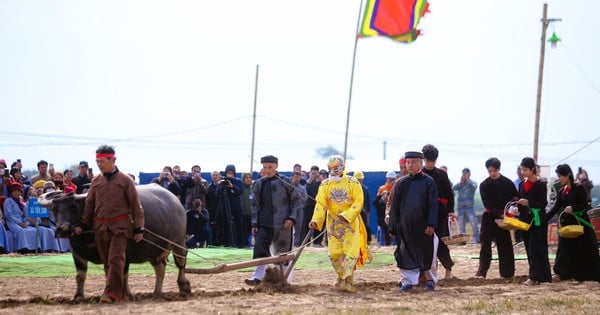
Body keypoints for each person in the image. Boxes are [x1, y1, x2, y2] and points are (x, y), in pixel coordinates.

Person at [74, 145, 144, 303]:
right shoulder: (96, 181)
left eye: (102, 161)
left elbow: (136, 206)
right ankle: (119, 293)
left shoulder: (126, 180)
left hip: (120, 227)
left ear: (113, 160)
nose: (99, 164)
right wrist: (83, 225)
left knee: (115, 259)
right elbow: (89, 206)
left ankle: (111, 294)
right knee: (107, 262)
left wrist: (139, 228)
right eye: (97, 161)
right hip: (100, 228)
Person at [309, 155, 371, 293]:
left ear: (342, 168)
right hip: (333, 225)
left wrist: (347, 215)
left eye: (335, 169)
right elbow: (320, 204)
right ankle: (341, 277)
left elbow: (358, 202)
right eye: (330, 169)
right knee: (334, 254)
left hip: (350, 224)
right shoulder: (325, 184)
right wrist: (315, 220)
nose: (332, 172)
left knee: (351, 254)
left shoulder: (353, 183)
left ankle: (347, 281)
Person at [388, 151, 439, 292]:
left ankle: (430, 280)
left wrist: (431, 224)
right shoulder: (401, 183)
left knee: (428, 254)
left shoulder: (429, 182)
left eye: (413, 162)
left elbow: (433, 204)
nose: (410, 165)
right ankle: (408, 282)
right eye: (408, 162)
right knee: (405, 254)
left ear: (420, 164)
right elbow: (395, 207)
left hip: (424, 227)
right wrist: (392, 227)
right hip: (405, 228)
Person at [245, 155, 300, 285]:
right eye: (265, 167)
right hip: (264, 223)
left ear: (276, 167)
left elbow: (297, 201)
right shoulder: (259, 183)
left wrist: (292, 218)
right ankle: (258, 277)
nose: (267, 170)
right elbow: (255, 206)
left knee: (283, 253)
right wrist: (255, 223)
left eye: (270, 167)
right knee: (260, 249)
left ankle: (283, 279)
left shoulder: (286, 181)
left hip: (283, 224)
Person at [546, 164, 600, 282]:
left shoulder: (578, 188)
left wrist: (573, 208)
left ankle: (589, 274)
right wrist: (545, 218)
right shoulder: (562, 191)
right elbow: (556, 207)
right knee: (564, 248)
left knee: (585, 249)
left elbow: (585, 204)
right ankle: (562, 273)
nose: (559, 178)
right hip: (568, 224)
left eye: (560, 176)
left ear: (567, 175)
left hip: (580, 223)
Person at [476, 157, 517, 279]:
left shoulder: (508, 183)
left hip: (504, 218)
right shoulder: (484, 185)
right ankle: (482, 272)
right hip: (489, 217)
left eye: (494, 170)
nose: (492, 173)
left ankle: (507, 273)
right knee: (485, 246)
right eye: (490, 171)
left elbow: (515, 196)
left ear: (498, 169)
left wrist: (511, 207)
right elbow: (487, 203)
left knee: (505, 245)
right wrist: (500, 213)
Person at [421, 144, 455, 280]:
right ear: (424, 159)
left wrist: (451, 211)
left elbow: (449, 194)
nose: (429, 163)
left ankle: (448, 267)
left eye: (432, 161)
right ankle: (427, 272)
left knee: (440, 242)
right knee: (425, 242)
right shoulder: (420, 175)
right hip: (423, 212)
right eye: (428, 160)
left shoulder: (442, 175)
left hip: (440, 213)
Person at [516, 157, 551, 285]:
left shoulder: (541, 184)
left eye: (525, 170)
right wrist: (517, 208)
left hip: (538, 220)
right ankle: (536, 275)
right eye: (521, 169)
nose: (522, 172)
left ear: (532, 170)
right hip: (525, 220)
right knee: (528, 246)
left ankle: (538, 276)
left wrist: (529, 203)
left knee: (537, 247)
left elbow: (543, 203)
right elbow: (519, 201)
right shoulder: (521, 184)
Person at [3, 182, 39, 254]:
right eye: (14, 191)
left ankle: (34, 249)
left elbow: (26, 215)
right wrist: (19, 223)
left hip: (22, 222)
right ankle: (23, 249)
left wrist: (25, 222)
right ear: (11, 192)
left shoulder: (22, 203)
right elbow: (8, 215)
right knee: (20, 231)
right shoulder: (8, 201)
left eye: (18, 191)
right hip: (12, 222)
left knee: (34, 230)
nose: (16, 193)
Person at [452, 168, 479, 243]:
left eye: (466, 174)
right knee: (461, 224)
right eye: (464, 174)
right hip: (460, 207)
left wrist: (467, 181)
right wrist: (461, 182)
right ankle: (462, 240)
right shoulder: (460, 183)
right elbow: (453, 188)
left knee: (474, 223)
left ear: (469, 174)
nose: (465, 175)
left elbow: (474, 188)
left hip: (470, 207)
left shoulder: (473, 183)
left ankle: (476, 239)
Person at [303, 166, 322, 247]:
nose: (314, 175)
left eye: (316, 173)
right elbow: (304, 192)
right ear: (310, 173)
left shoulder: (320, 184)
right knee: (306, 225)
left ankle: (317, 242)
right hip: (308, 207)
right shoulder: (307, 182)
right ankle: (306, 243)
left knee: (318, 224)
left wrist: (320, 180)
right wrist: (310, 180)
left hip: (318, 207)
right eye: (313, 173)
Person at [354, 171, 372, 244]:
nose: (359, 181)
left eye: (360, 180)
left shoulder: (365, 189)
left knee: (364, 225)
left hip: (363, 211)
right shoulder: (352, 189)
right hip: (354, 211)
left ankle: (366, 240)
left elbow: (367, 202)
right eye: (358, 180)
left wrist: (367, 212)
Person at [291, 171, 308, 247]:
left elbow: (305, 199)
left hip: (299, 210)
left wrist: (299, 197)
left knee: (298, 227)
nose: (297, 179)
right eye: (295, 177)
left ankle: (296, 243)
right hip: (290, 209)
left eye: (298, 177)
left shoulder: (302, 188)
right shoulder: (289, 186)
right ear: (292, 177)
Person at [240, 172, 254, 247]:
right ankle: (244, 245)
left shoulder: (253, 188)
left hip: (251, 214)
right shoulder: (241, 188)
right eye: (246, 178)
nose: (248, 179)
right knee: (243, 231)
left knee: (251, 231)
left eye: (250, 178)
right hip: (243, 214)